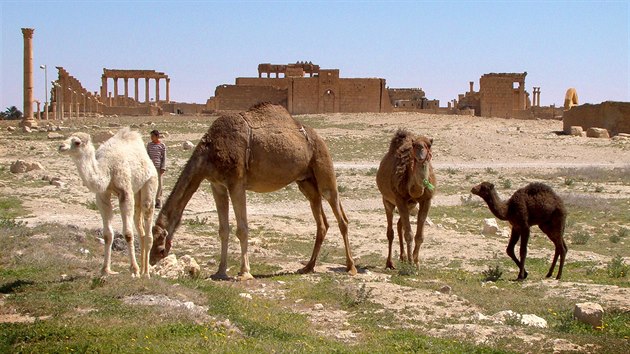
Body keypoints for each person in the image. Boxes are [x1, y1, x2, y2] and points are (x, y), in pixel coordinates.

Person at [147, 129, 166, 208]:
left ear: (157, 136)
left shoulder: (162, 145)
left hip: (159, 167)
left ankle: (158, 201)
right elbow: (147, 155)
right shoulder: (149, 145)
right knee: (150, 184)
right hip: (150, 167)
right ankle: (151, 200)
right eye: (151, 136)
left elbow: (164, 157)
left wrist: (163, 167)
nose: (151, 138)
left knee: (159, 185)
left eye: (153, 136)